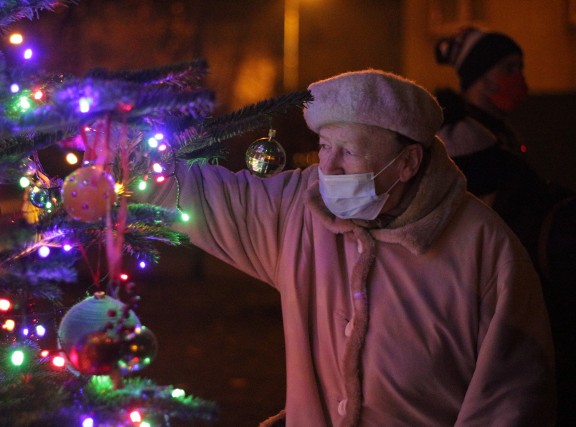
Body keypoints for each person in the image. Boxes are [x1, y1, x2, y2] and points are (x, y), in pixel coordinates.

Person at [148, 69, 555, 426]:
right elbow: (193, 194)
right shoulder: (297, 210)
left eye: (350, 151)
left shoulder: (485, 248)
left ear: (408, 162)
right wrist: (118, 142)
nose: (328, 166)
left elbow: (511, 398)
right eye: (325, 145)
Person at [435, 28, 575, 426]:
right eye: (508, 68)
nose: (520, 77)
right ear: (481, 78)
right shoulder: (464, 137)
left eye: (520, 66)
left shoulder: (494, 131)